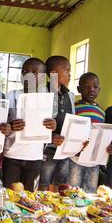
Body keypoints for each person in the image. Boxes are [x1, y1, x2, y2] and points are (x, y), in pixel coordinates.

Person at [2, 58, 56, 192]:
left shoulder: (47, 99)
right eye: (24, 71)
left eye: (34, 73)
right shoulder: (11, 95)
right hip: (12, 154)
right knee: (8, 194)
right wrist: (10, 126)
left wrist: (53, 125)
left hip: (34, 156)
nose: (28, 75)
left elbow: (50, 125)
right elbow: (2, 124)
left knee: (29, 196)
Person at [70, 72, 112, 193]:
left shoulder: (102, 112)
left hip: (94, 161)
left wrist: (108, 146)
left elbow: (104, 136)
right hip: (75, 158)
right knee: (73, 191)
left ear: (99, 89)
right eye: (86, 87)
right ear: (79, 89)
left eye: (94, 87)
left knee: (90, 192)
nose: (91, 90)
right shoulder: (73, 108)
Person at [39, 56, 74, 191]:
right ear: (53, 74)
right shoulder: (43, 92)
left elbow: (72, 120)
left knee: (61, 185)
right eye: (66, 70)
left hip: (64, 150)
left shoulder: (69, 95)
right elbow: (37, 121)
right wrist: (50, 136)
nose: (70, 74)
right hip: (46, 149)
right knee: (43, 183)